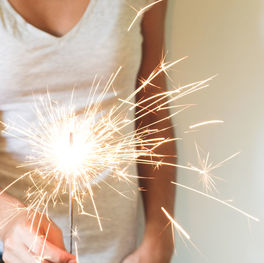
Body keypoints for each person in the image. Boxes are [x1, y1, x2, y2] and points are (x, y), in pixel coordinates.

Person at [0, 0, 176, 262]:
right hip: (15, 252)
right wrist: (8, 220)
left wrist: (159, 238)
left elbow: (152, 113)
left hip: (120, 253)